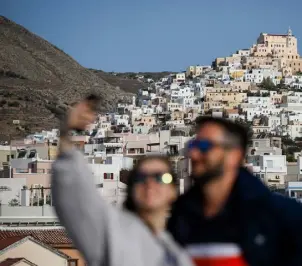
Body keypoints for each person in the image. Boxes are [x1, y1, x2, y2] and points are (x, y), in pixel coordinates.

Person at [51, 95, 193, 266]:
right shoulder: (113, 234)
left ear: (173, 190)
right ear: (131, 188)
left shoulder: (179, 249)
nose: (150, 183)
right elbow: (74, 196)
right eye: (141, 178)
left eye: (160, 177)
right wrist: (67, 131)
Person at [167, 116, 302, 266]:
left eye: (204, 146)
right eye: (193, 145)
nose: (193, 154)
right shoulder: (180, 216)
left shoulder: (282, 217)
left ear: (234, 155)